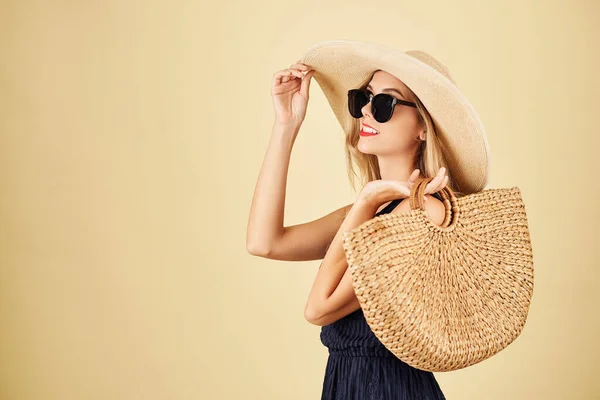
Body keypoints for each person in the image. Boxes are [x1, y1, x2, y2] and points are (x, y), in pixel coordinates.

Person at [247, 40, 490, 399]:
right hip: (349, 386)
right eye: (364, 98)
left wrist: (363, 205)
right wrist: (286, 125)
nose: (365, 113)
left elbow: (318, 308)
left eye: (384, 104)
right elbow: (263, 242)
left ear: (423, 126)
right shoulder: (372, 209)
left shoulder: (422, 213)